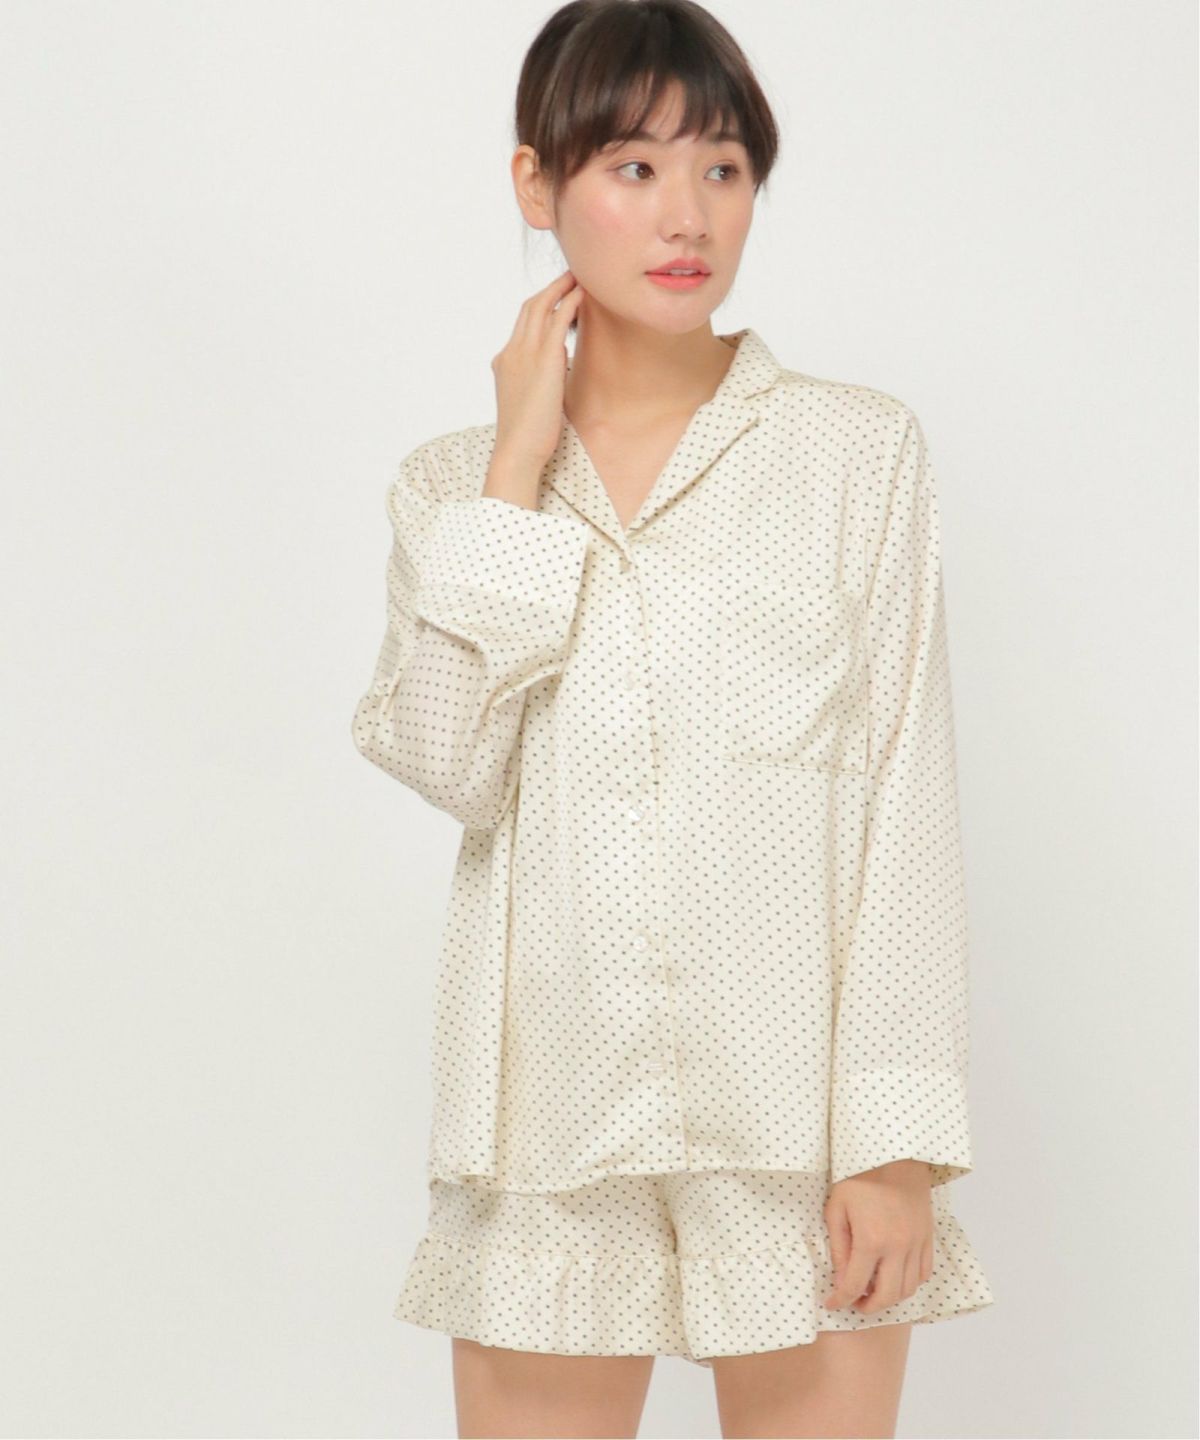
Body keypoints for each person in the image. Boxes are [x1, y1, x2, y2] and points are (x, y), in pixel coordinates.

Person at [350, 1, 995, 1435]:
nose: (687, 214)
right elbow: (448, 761)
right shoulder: (451, 487)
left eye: (722, 167)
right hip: (547, 1140)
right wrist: (516, 473)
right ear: (538, 185)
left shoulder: (855, 453)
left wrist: (894, 1144)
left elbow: (907, 799)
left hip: (797, 1136)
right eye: (633, 168)